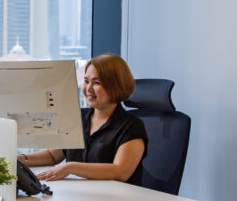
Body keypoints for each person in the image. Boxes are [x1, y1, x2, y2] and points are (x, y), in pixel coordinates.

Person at [19, 54, 147, 185]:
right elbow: (52, 156)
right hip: (80, 196)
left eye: (97, 83)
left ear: (116, 86)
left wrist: (71, 167)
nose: (88, 89)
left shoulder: (131, 126)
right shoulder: (77, 117)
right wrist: (19, 160)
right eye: (86, 81)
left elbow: (120, 172)